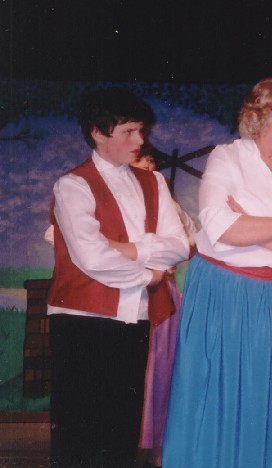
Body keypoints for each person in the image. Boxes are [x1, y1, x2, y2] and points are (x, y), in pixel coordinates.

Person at [162, 78, 272, 467]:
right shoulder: (226, 158)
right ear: (261, 121)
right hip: (224, 292)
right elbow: (221, 229)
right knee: (217, 394)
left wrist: (251, 223)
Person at [47, 88, 190, 467]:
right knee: (79, 433)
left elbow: (178, 246)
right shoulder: (73, 185)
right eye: (129, 132)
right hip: (83, 320)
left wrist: (128, 248)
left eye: (140, 130)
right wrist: (149, 273)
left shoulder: (154, 183)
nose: (140, 140)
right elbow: (92, 257)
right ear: (98, 132)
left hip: (135, 316)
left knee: (122, 431)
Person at [130, 150, 198, 468]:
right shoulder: (114, 201)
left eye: (151, 161)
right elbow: (58, 235)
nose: (147, 165)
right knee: (132, 367)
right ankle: (128, 443)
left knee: (163, 367)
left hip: (163, 295)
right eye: (139, 160)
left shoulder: (169, 205)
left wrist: (167, 258)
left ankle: (159, 445)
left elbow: (193, 238)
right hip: (127, 290)